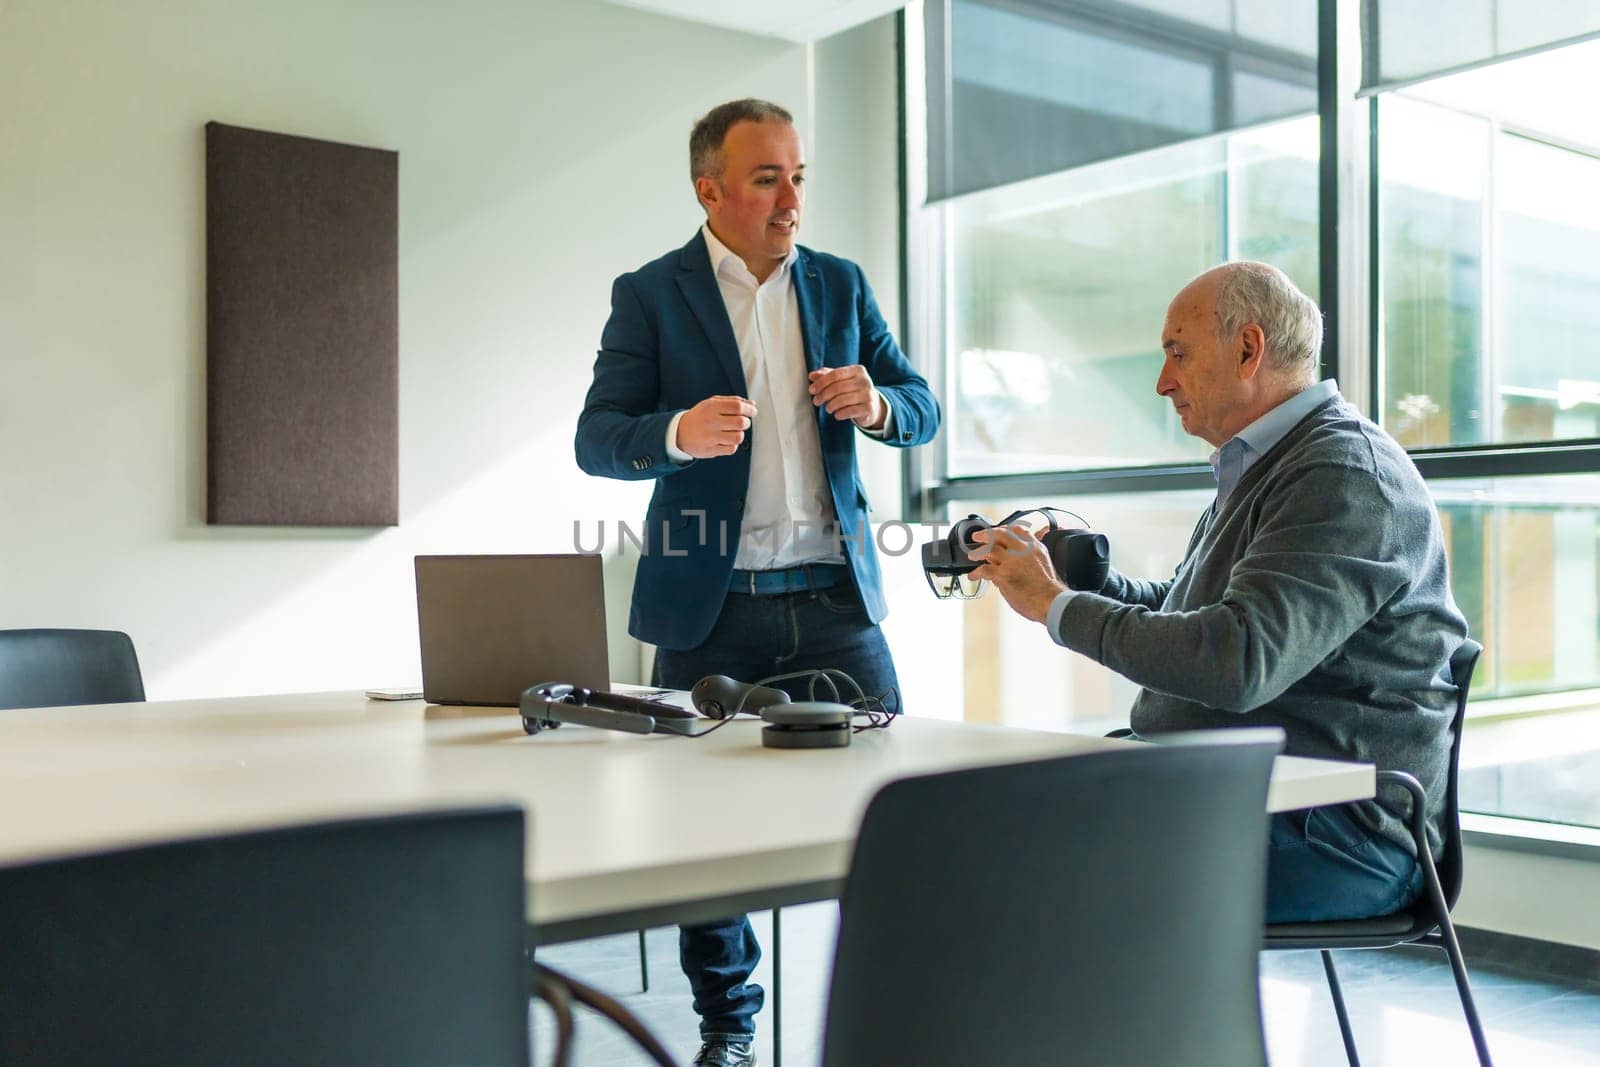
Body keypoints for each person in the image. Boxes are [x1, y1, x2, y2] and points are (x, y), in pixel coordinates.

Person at [574, 98, 940, 1067]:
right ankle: (729, 1030)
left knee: (902, 812)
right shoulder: (652, 293)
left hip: (834, 602)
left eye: (799, 175)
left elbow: (921, 404)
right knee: (705, 840)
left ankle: (903, 1015)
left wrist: (878, 402)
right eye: (768, 178)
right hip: (710, 612)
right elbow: (595, 439)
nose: (791, 198)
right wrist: (671, 434)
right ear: (712, 190)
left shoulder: (840, 284)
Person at [971, 261, 1468, 924]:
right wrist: (1079, 581)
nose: (1161, 381)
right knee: (1000, 809)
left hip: (1342, 833)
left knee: (1031, 850)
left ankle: (1125, 1027)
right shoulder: (1271, 463)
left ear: (1248, 349)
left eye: (1177, 352)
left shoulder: (1342, 472)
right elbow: (1197, 612)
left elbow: (1236, 660)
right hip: (1242, 789)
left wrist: (1057, 607)